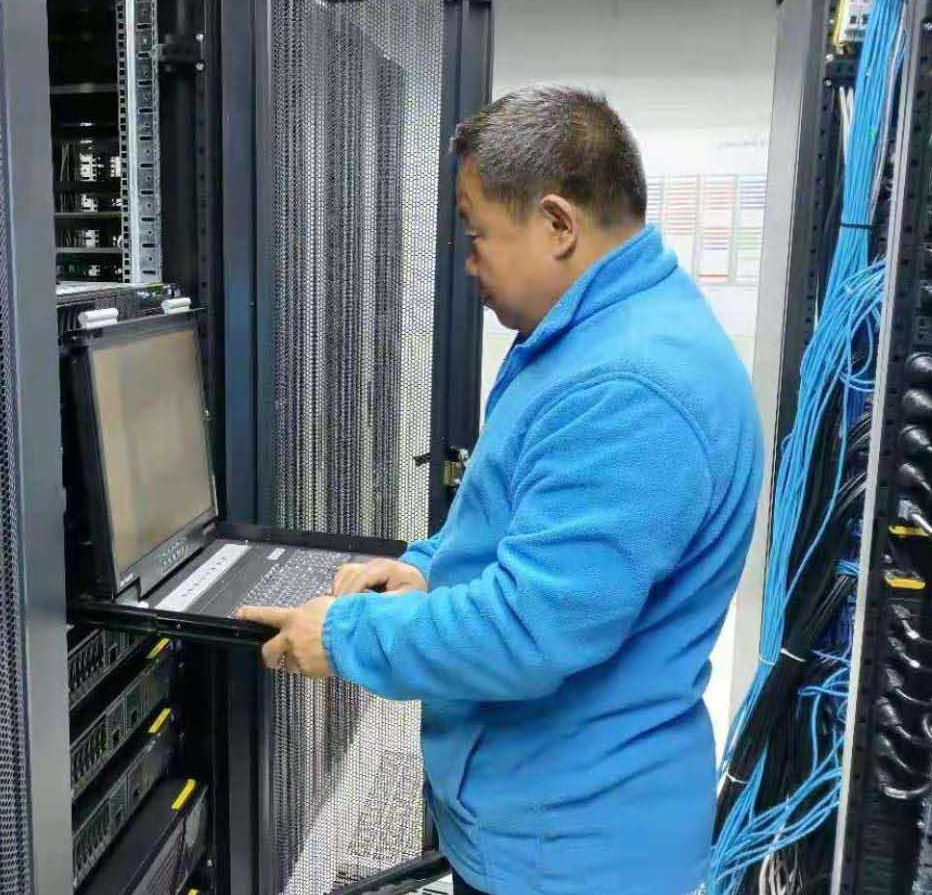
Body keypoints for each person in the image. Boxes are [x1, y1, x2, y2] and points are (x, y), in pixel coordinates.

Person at [238, 86, 762, 895]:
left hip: (574, 857)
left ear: (557, 225)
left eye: (477, 234)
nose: (469, 263)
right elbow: (522, 520)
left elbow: (529, 628)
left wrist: (345, 637)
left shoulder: (629, 388)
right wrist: (427, 570)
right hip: (547, 822)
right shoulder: (597, 336)